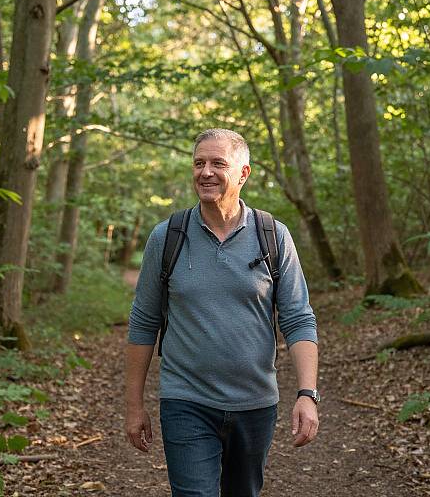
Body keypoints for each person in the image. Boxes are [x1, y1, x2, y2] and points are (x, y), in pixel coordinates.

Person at [125, 128, 319, 497]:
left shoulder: (273, 236)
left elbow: (298, 318)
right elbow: (144, 322)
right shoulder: (166, 237)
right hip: (186, 401)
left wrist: (307, 394)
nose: (206, 172)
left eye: (218, 163)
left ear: (243, 174)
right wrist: (134, 406)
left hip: (255, 403)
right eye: (199, 163)